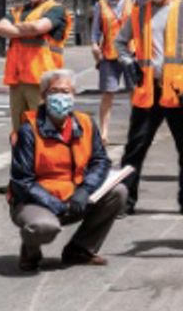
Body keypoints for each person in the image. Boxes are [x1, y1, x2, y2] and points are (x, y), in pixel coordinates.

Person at [8, 69, 126, 271]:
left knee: (119, 192)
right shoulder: (29, 130)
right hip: (37, 202)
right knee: (42, 227)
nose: (61, 97)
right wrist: (56, 204)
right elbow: (23, 182)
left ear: (74, 95)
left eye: (66, 91)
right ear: (44, 96)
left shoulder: (86, 123)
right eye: (55, 91)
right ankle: (30, 251)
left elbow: (100, 161)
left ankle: (79, 250)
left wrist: (84, 190)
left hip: (75, 198)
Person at [115, 0, 183, 217]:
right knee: (135, 148)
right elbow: (120, 42)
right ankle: (125, 200)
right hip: (148, 89)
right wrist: (128, 61)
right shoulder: (139, 11)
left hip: (178, 92)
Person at [0, 0, 72, 131]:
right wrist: (26, 29)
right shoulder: (18, 10)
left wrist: (14, 30)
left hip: (42, 81)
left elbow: (40, 27)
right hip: (17, 81)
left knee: (42, 130)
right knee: (19, 131)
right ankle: (21, 157)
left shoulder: (55, 9)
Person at [91, 0, 145, 142]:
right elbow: (95, 32)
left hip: (131, 53)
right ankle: (104, 132)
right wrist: (94, 46)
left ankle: (135, 131)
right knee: (108, 93)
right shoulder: (101, 4)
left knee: (134, 93)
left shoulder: (135, 1)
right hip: (109, 54)